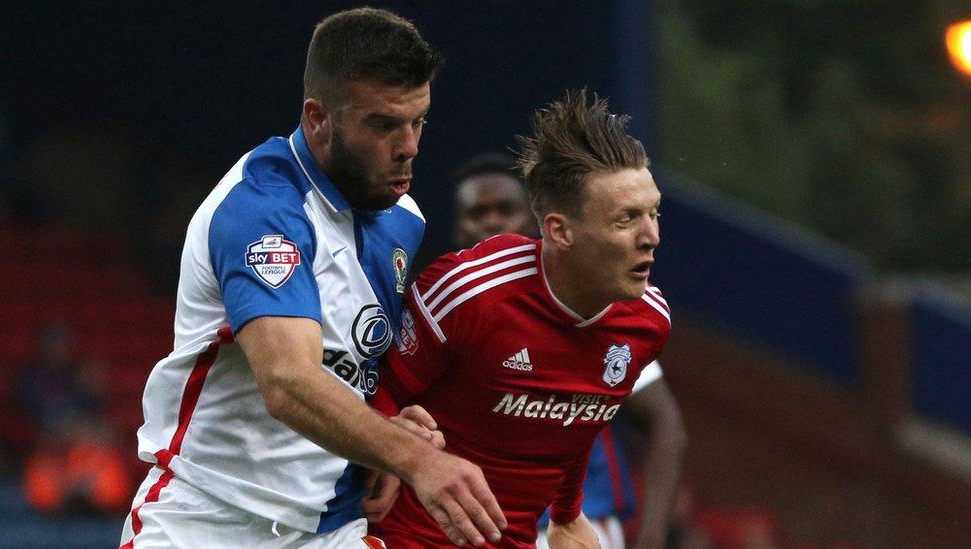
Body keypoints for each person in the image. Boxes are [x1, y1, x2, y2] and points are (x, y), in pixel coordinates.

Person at [119, 8, 505, 548]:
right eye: (384, 125)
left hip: (331, 527)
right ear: (318, 117)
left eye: (418, 121)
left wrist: (391, 421)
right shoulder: (261, 211)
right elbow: (289, 382)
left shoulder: (403, 219)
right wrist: (416, 458)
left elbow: (358, 360)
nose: (410, 146)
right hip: (207, 519)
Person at [371, 89, 672, 548]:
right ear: (559, 230)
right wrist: (391, 452)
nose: (651, 236)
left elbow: (579, 422)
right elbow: (379, 388)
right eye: (625, 219)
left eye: (653, 213)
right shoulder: (470, 292)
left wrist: (568, 516)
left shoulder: (648, 321)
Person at [450, 153, 686, 549]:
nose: (491, 222)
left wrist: (652, 534)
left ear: (538, 221)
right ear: (459, 227)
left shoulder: (597, 304)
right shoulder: (441, 312)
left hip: (576, 529)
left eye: (505, 209)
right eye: (477, 212)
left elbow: (665, 424)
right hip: (475, 529)